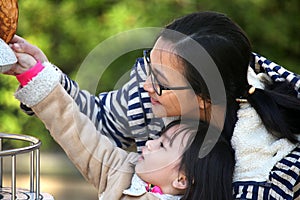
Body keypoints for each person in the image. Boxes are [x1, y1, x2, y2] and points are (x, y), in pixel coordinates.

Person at [8, 11, 300, 199]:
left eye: (160, 80)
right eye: (151, 67)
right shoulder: (150, 95)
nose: (146, 85)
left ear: (203, 99)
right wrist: (41, 73)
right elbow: (96, 122)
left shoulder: (264, 174)